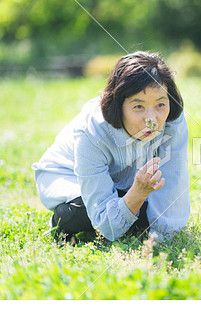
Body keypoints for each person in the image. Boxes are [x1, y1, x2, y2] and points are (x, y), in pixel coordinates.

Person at [32, 51, 190, 241]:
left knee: (149, 211)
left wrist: (163, 237)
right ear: (118, 104)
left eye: (160, 105)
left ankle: (128, 203)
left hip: (125, 181)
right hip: (68, 175)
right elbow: (105, 226)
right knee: (82, 215)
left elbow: (173, 179)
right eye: (138, 106)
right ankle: (62, 219)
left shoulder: (171, 116)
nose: (152, 118)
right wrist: (138, 194)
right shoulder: (92, 130)